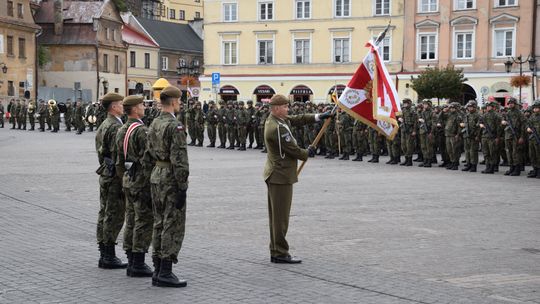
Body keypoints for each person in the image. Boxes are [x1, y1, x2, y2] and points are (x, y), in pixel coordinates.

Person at [263, 94, 333, 264]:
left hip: (277, 174)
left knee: (277, 217)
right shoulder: (277, 128)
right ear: (277, 108)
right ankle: (280, 252)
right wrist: (307, 153)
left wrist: (319, 117)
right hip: (280, 176)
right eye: (286, 107)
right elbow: (292, 149)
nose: (289, 109)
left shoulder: (277, 120)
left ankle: (276, 250)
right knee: (281, 218)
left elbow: (297, 119)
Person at [146, 86, 189, 288]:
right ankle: (165, 271)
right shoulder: (175, 125)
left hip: (156, 175)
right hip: (171, 178)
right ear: (173, 102)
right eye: (179, 101)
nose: (180, 104)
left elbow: (148, 153)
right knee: (172, 223)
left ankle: (157, 268)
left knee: (159, 222)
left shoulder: (154, 122)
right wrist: (183, 186)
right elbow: (179, 159)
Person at [115, 95, 154, 278]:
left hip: (128, 179)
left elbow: (119, 160)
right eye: (142, 105)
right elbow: (148, 159)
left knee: (130, 219)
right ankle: (138, 261)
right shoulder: (141, 130)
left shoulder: (123, 128)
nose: (144, 107)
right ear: (135, 109)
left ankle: (131, 258)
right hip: (140, 181)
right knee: (143, 220)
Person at [94, 92, 127, 269]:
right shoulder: (114, 126)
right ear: (114, 107)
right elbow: (117, 154)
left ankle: (104, 253)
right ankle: (108, 255)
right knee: (114, 214)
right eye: (121, 104)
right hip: (114, 176)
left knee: (105, 213)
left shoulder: (105, 124)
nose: (123, 106)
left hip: (106, 173)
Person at [526, 100, 540, 178]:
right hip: (532, 139)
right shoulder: (532, 116)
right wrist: (528, 128)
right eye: (534, 108)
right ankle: (535, 169)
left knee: (538, 155)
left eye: (537, 108)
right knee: (532, 155)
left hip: (538, 139)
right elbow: (528, 124)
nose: (535, 110)